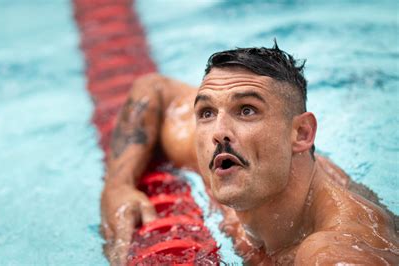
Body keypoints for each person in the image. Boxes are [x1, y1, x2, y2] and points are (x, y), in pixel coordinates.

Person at [100, 43, 398, 265]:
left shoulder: (335, 249)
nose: (219, 130)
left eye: (246, 110)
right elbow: (153, 89)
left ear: (301, 134)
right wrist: (118, 184)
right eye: (206, 112)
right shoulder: (231, 152)